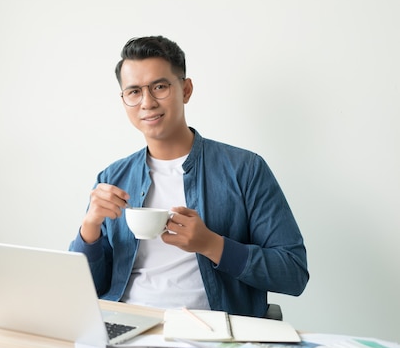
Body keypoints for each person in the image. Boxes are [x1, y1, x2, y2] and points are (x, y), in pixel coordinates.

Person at [69, 36, 308, 318]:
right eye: (133, 92)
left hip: (211, 332)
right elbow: (83, 290)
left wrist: (212, 245)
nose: (147, 102)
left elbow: (292, 273)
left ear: (186, 89)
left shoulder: (246, 169)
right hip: (127, 324)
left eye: (159, 87)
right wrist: (90, 227)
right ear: (124, 100)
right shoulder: (112, 177)